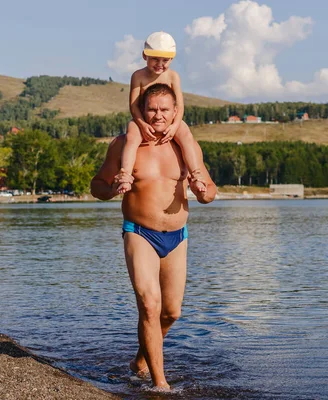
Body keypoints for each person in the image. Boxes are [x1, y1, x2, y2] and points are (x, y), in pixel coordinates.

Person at [90, 83, 216, 391]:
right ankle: (161, 386)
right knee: (149, 305)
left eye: (164, 109)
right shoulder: (125, 144)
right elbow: (97, 186)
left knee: (171, 312)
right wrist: (113, 187)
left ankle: (140, 361)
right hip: (139, 233)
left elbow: (210, 192)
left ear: (176, 111)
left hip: (177, 236)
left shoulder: (186, 147)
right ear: (141, 110)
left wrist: (203, 192)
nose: (158, 115)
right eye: (152, 109)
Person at [117, 31, 206, 194]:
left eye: (165, 60)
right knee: (131, 136)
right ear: (145, 56)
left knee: (186, 135)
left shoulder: (173, 76)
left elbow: (179, 106)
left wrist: (175, 126)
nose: (160, 64)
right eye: (155, 59)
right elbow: (134, 105)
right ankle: (125, 175)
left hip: (171, 120)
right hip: (143, 119)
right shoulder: (138, 76)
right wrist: (142, 124)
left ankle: (196, 175)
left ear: (171, 59)